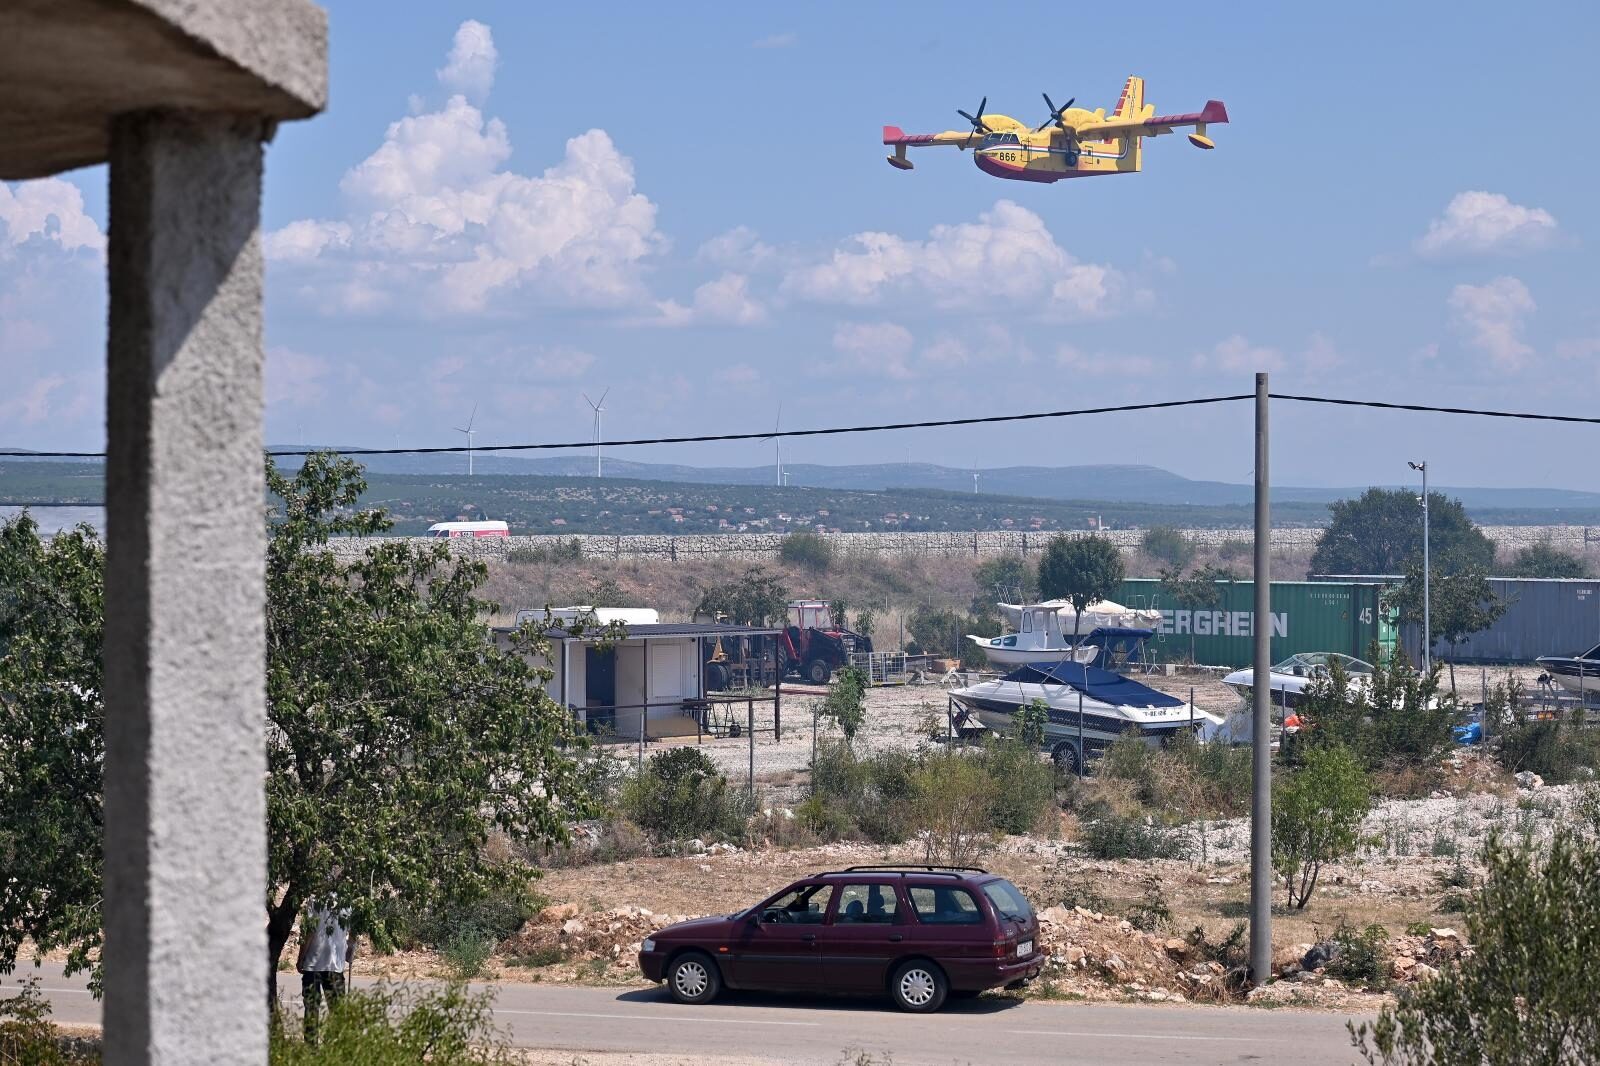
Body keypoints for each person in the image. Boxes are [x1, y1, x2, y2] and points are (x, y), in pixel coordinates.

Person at [296, 899, 354, 1043]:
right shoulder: (348, 901)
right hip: (335, 965)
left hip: (312, 963)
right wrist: (349, 952)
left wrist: (301, 957)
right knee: (337, 1010)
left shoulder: (314, 900)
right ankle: (331, 1046)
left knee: (311, 1010)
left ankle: (311, 1050)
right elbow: (353, 932)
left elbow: (308, 931)